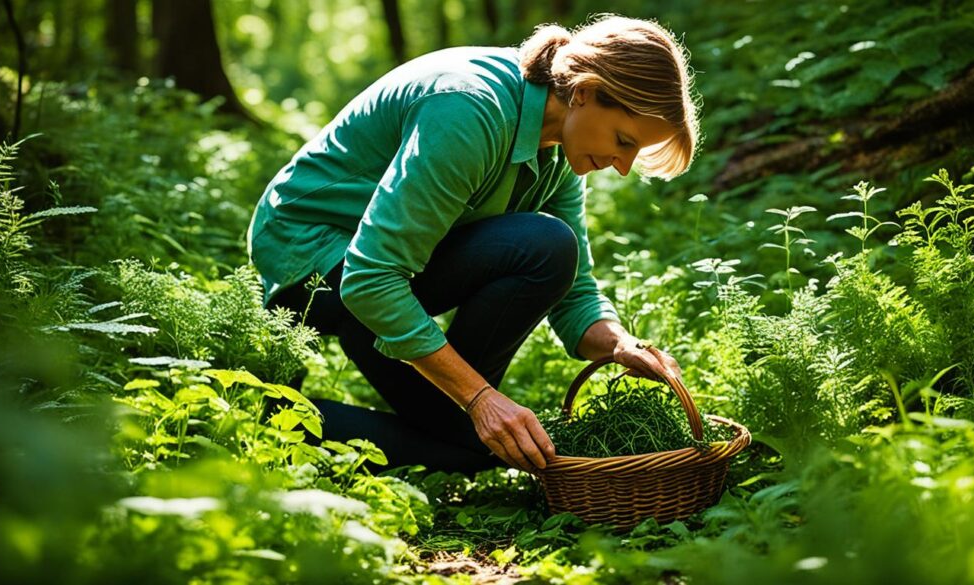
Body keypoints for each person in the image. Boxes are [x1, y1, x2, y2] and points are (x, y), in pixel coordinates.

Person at [247, 15, 699, 475]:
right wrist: (480, 397)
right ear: (583, 90)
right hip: (313, 261)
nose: (622, 167)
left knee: (476, 446)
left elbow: (577, 291)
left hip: (379, 272)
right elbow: (370, 278)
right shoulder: (469, 109)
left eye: (633, 153)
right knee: (545, 245)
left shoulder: (559, 148)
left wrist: (620, 344)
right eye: (623, 141)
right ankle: (265, 415)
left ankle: (307, 421)